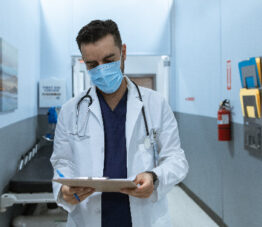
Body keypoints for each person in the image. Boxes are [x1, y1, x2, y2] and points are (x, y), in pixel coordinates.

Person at [50, 19, 189, 227]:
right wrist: (64, 189)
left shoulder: (155, 104)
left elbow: (177, 159)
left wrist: (154, 176)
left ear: (123, 52)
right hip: (89, 216)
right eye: (92, 65)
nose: (102, 69)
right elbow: (62, 162)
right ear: (84, 62)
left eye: (109, 60)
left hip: (144, 216)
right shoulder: (71, 110)